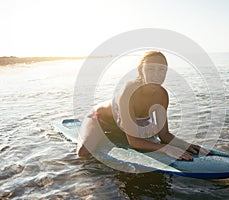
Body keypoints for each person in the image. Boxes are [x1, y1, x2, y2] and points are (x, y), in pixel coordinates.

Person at [77, 51, 210, 160]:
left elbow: (164, 135)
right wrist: (165, 148)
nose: (156, 75)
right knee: (83, 152)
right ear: (141, 70)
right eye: (150, 69)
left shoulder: (162, 95)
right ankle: (93, 132)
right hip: (99, 119)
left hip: (123, 128)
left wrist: (186, 145)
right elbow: (133, 142)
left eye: (161, 70)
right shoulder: (128, 91)